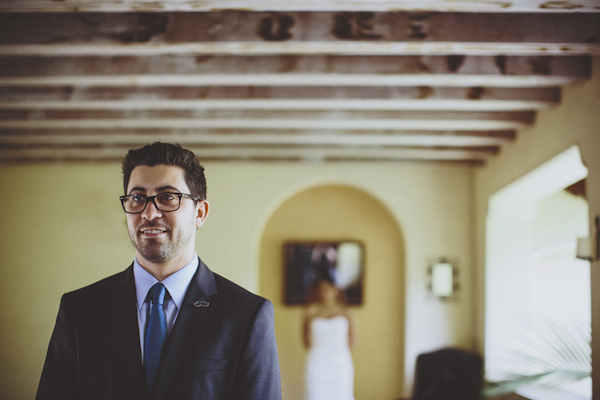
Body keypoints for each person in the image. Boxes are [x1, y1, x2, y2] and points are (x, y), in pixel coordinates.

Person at [35, 142, 281, 400]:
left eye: (167, 197)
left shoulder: (246, 314)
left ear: (200, 212)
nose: (149, 213)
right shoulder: (80, 310)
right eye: (137, 198)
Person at [302, 279, 356, 400]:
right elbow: (306, 341)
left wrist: (340, 355)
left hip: (341, 363)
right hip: (317, 363)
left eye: (327, 289)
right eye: (320, 289)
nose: (323, 292)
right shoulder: (310, 311)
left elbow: (352, 339)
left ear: (335, 290)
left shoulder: (345, 311)